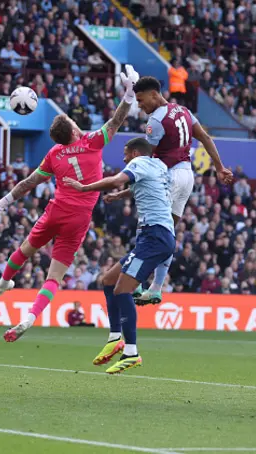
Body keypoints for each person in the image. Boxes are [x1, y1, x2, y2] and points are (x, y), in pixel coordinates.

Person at [0, 65, 141, 343]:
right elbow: (116, 121)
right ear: (72, 129)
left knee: (25, 249)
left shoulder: (54, 154)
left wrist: (2, 202)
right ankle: (31, 317)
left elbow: (28, 183)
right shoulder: (92, 141)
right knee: (54, 276)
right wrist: (128, 94)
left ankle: (4, 281)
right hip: (79, 218)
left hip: (56, 210)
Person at [64, 138, 175, 374]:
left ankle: (132, 352)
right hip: (156, 236)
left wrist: (84, 188)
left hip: (154, 237)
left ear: (135, 152)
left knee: (122, 290)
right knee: (108, 280)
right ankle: (115, 338)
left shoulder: (140, 164)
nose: (124, 159)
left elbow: (116, 179)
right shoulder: (158, 166)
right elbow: (141, 187)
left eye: (126, 154)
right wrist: (119, 196)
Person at [126, 76, 233, 304]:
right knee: (168, 235)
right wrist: (219, 167)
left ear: (154, 94)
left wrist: (126, 187)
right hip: (187, 176)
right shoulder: (182, 110)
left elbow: (146, 162)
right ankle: (156, 288)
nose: (140, 105)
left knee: (144, 229)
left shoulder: (155, 122)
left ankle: (137, 281)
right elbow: (204, 137)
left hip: (169, 177)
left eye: (141, 100)